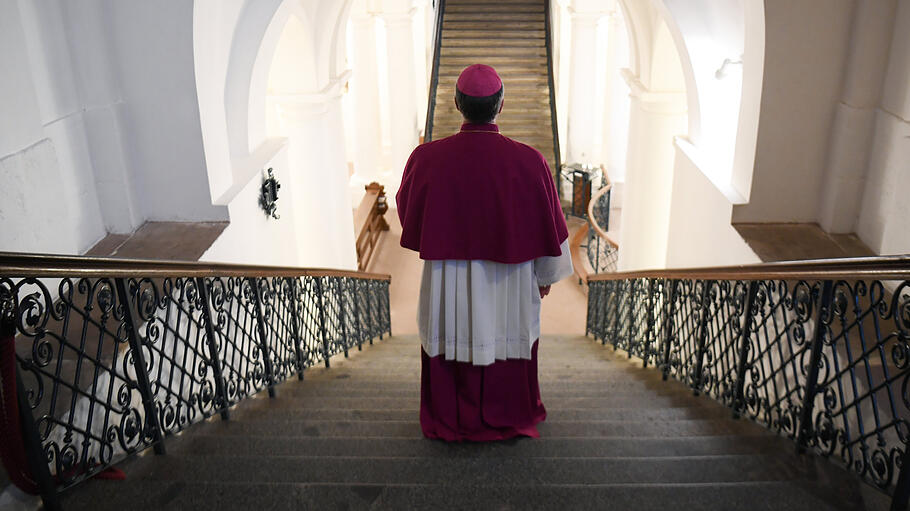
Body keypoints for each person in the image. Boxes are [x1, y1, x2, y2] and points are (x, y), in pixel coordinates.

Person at [396, 64, 573, 442]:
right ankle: (508, 412)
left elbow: (408, 209)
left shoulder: (426, 158)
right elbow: (551, 222)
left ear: (457, 104)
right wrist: (544, 276)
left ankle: (451, 416)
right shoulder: (531, 161)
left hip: (448, 278)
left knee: (450, 335)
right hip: (510, 281)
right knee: (507, 335)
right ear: (501, 105)